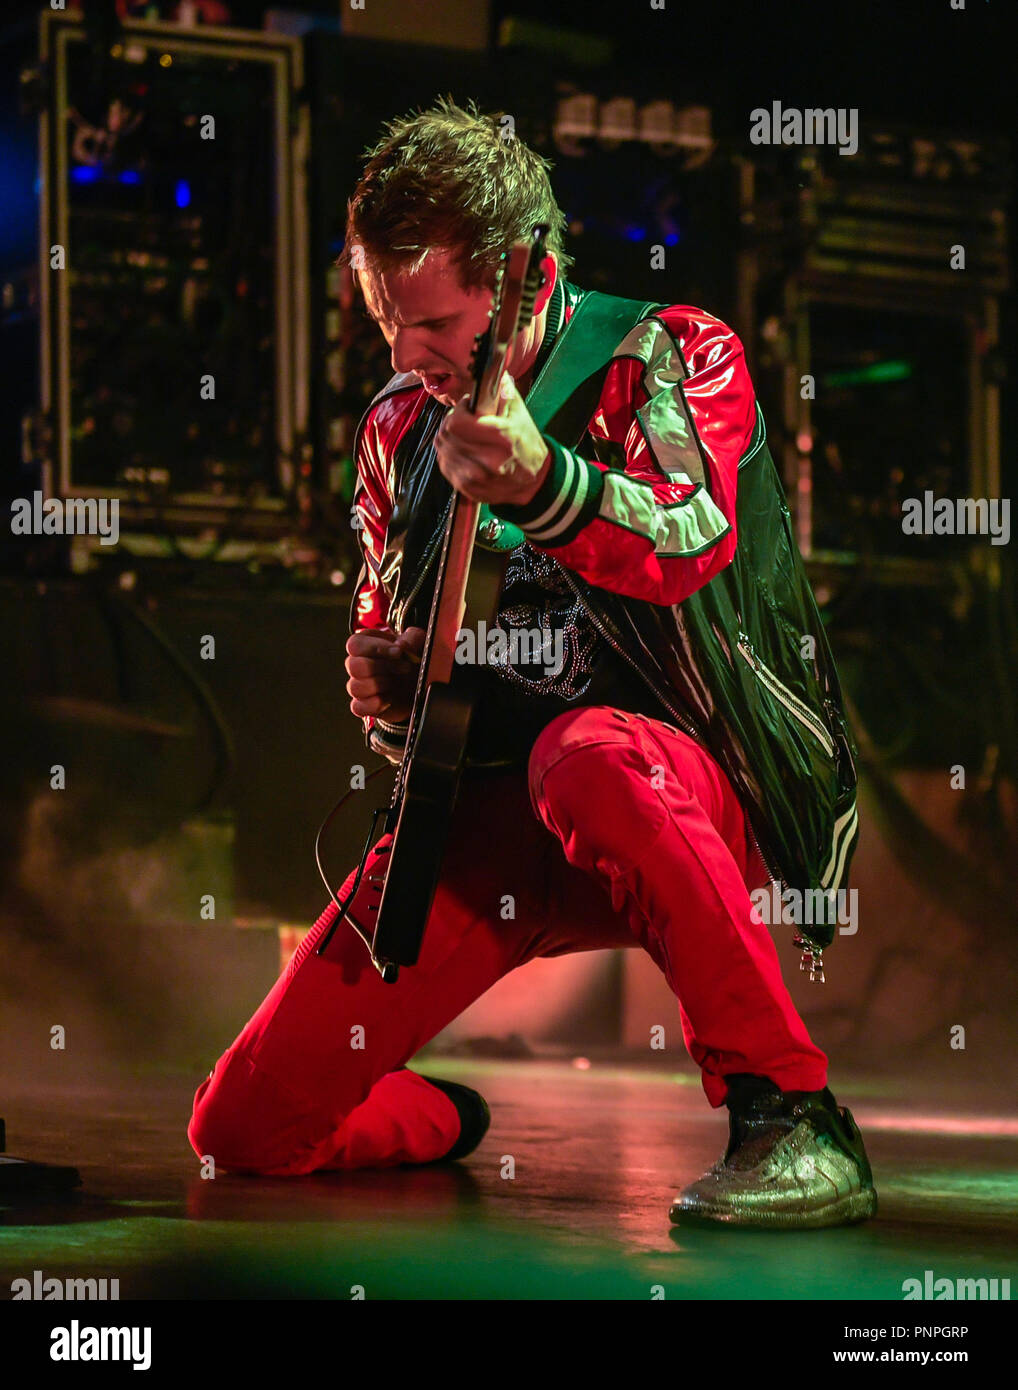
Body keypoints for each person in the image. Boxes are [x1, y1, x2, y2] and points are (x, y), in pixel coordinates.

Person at [188, 97, 876, 1229]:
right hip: (503, 820)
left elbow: (689, 536)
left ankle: (794, 1118)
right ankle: (439, 1118)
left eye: (438, 323)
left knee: (587, 755)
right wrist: (390, 683)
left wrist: (542, 485)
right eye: (384, 320)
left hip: (677, 788)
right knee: (238, 1136)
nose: (406, 356)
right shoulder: (396, 428)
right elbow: (389, 621)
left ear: (522, 274)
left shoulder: (671, 350)